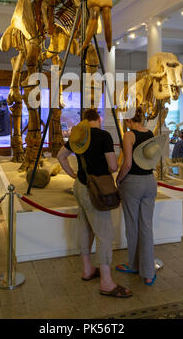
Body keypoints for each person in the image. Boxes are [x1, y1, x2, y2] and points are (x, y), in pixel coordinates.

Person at [57, 109, 132, 298]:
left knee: (85, 228)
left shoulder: (78, 135)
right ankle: (106, 282)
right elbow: (113, 166)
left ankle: (87, 269)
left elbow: (60, 156)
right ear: (99, 119)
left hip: (80, 185)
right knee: (104, 234)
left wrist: (72, 174)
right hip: (96, 190)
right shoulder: (104, 136)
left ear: (84, 120)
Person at [115, 107, 166, 286]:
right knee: (146, 226)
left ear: (129, 120)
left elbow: (127, 163)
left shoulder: (129, 135)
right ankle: (148, 272)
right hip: (150, 181)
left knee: (132, 226)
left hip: (133, 183)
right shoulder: (150, 133)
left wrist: (118, 180)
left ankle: (133, 265)